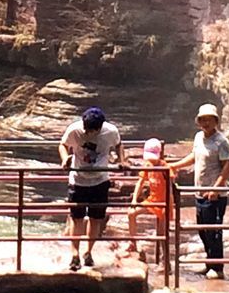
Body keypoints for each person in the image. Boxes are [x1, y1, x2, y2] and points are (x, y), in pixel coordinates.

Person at [59, 106, 126, 270]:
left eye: (91, 130)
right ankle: (75, 254)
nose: (87, 132)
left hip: (100, 181)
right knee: (77, 218)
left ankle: (88, 252)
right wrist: (64, 159)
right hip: (78, 180)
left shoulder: (110, 131)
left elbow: (118, 144)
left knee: (96, 219)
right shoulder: (74, 130)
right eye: (86, 128)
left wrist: (121, 160)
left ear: (99, 127)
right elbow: (63, 144)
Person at [170, 104, 229, 279]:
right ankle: (209, 263)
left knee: (213, 231)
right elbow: (194, 156)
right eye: (202, 120)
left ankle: (217, 268)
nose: (205, 123)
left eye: (208, 119)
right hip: (199, 192)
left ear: (215, 121)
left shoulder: (221, 141)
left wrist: (216, 188)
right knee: (203, 231)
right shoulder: (199, 137)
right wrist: (175, 165)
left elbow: (227, 167)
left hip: (215, 195)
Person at [126, 138, 169, 256]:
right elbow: (140, 182)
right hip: (152, 200)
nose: (151, 160)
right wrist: (135, 199)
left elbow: (170, 188)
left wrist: (168, 206)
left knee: (161, 234)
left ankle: (166, 263)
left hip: (163, 202)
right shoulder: (147, 165)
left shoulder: (165, 168)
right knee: (131, 213)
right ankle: (133, 242)